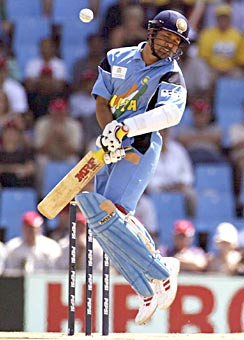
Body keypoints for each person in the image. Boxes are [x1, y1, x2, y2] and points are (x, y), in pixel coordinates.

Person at [75, 10, 190, 325]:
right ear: (151, 32)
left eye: (175, 41)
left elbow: (170, 116)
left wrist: (124, 129)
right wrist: (110, 131)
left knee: (112, 214)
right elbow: (102, 102)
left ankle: (160, 270)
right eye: (165, 36)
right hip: (110, 145)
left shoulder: (171, 74)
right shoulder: (117, 57)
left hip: (140, 146)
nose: (169, 45)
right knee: (102, 223)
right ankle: (146, 290)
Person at [147, 128, 196, 217]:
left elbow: (188, 174)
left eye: (164, 131)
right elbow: (147, 180)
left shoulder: (178, 149)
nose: (162, 134)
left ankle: (191, 223)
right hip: (158, 190)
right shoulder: (149, 151)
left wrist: (181, 183)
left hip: (179, 188)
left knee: (191, 195)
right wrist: (165, 186)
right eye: (160, 131)